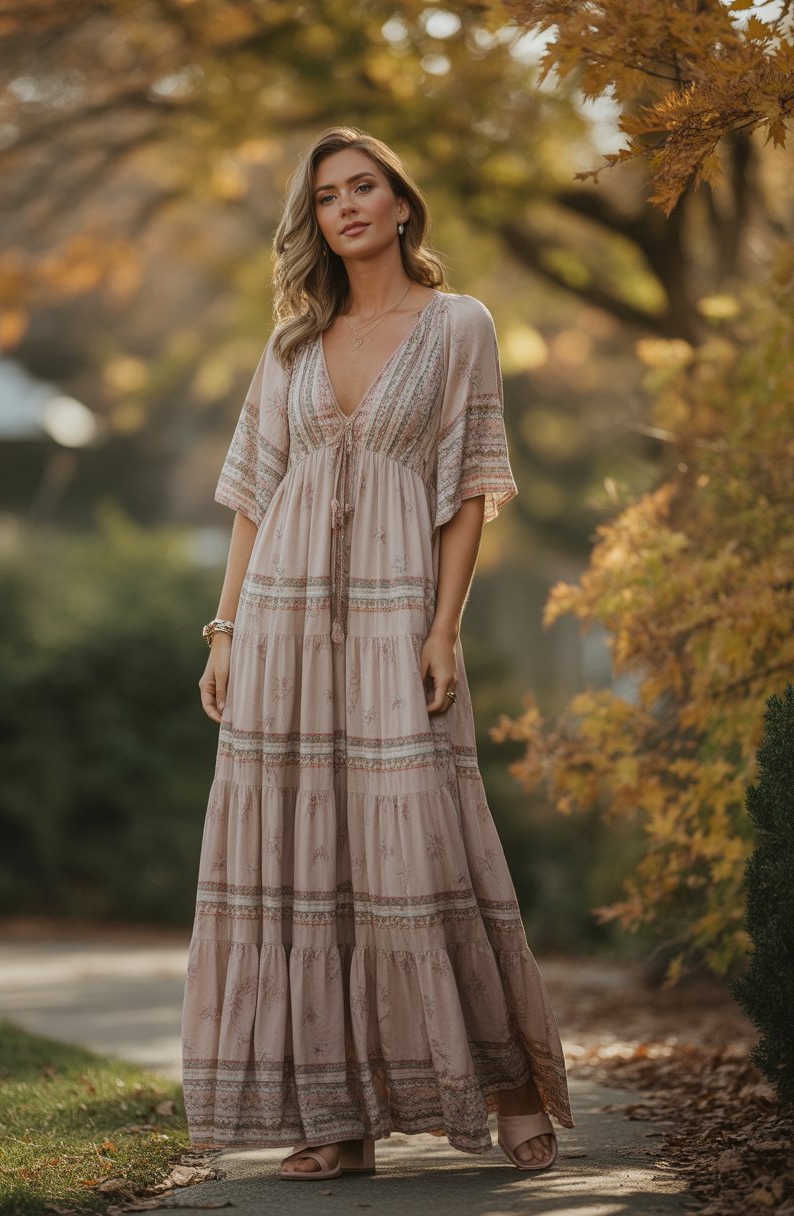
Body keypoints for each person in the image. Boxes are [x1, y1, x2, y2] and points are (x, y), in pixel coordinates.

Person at [182, 125, 574, 1182]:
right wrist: (225, 632)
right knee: (305, 862)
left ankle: (507, 1091)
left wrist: (442, 628)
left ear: (402, 205)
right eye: (326, 197)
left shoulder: (458, 326)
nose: (346, 207)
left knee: (428, 844)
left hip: (400, 615)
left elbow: (470, 491)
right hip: (284, 624)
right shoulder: (290, 343)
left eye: (364, 187)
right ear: (312, 222)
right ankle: (338, 1117)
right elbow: (254, 499)